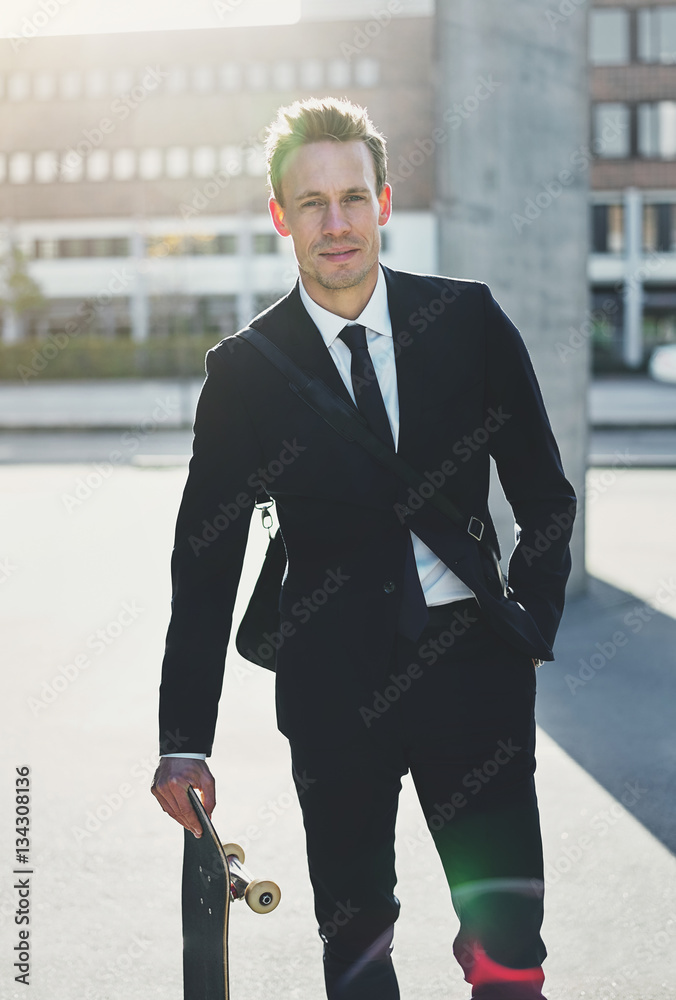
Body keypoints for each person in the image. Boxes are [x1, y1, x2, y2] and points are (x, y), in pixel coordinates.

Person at [151, 96, 576, 1000]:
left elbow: (543, 492)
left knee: (509, 940)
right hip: (334, 688)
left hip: (475, 675)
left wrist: (529, 621)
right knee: (355, 946)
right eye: (312, 203)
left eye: (353, 197)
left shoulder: (466, 322)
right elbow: (206, 560)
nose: (336, 223)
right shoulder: (246, 372)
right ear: (280, 215)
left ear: (384, 201)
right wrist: (184, 740)